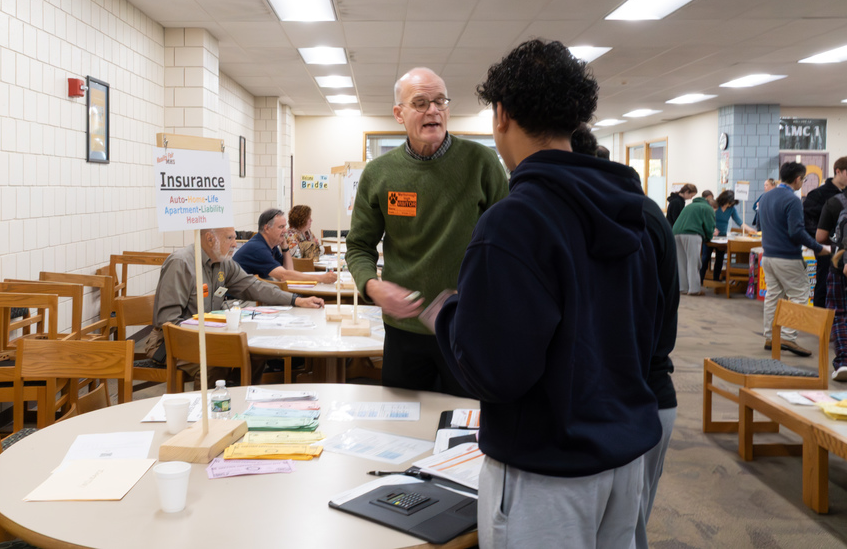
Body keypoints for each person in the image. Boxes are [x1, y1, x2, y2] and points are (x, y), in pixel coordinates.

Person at [429, 39, 662, 548]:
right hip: (623, 460)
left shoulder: (515, 221)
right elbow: (645, 331)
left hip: (547, 471)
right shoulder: (631, 211)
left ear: (502, 115)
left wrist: (446, 314)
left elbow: (495, 371)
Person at [346, 66, 509, 395]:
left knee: (464, 426)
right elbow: (359, 246)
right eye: (420, 103)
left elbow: (507, 243)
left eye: (440, 101)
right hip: (403, 332)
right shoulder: (379, 174)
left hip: (466, 327)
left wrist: (484, 292)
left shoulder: (482, 163)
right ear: (399, 113)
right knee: (402, 426)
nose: (433, 110)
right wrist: (372, 286)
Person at [572, 125, 680, 536]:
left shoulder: (626, 220)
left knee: (623, 532)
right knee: (625, 530)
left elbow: (626, 325)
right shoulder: (638, 209)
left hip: (634, 401)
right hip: (640, 398)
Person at [145, 227, 324, 365]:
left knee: (256, 356)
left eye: (234, 237)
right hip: (173, 342)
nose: (234, 244)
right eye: (229, 238)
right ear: (209, 239)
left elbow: (254, 286)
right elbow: (167, 321)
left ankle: (240, 401)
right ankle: (207, 409)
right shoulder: (181, 263)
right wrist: (213, 340)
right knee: (219, 362)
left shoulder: (224, 263)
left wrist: (296, 300)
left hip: (209, 335)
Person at [757, 162, 831, 357]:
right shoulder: (792, 200)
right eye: (803, 179)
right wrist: (819, 248)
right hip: (787, 257)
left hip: (768, 256)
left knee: (773, 295)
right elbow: (796, 232)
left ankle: (771, 337)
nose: (802, 183)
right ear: (798, 179)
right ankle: (788, 337)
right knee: (799, 295)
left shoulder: (765, 197)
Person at [233, 209, 337, 284]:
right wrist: (321, 278)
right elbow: (285, 276)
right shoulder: (258, 248)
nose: (285, 231)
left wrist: (285, 247)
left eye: (285, 226)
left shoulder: (271, 246)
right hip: (236, 301)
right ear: (267, 228)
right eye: (281, 227)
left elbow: (289, 271)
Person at [803, 159, 847, 308]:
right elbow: (808, 223)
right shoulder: (818, 195)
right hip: (827, 250)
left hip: (843, 251)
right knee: (824, 286)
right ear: (838, 171)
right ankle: (819, 325)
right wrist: (827, 243)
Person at [701, 190, 757, 283]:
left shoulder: (731, 209)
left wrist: (751, 230)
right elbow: (707, 219)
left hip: (722, 236)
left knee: (720, 259)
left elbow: (739, 222)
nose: (731, 205)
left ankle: (716, 280)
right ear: (725, 199)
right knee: (705, 258)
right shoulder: (715, 205)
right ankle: (700, 280)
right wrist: (712, 228)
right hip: (710, 235)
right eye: (730, 203)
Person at [672, 193, 715, 296]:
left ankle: (682, 288)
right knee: (693, 261)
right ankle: (694, 290)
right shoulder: (707, 208)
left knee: (681, 262)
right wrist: (708, 237)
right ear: (713, 206)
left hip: (675, 233)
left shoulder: (690, 206)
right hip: (691, 234)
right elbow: (710, 226)